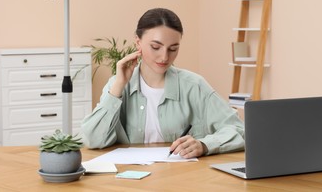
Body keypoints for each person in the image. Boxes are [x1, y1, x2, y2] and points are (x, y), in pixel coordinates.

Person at [81, 8, 244, 158]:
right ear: (138, 42)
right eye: (155, 47)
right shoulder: (117, 85)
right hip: (130, 180)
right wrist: (118, 86)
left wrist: (204, 145)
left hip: (183, 178)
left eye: (173, 49)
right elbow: (92, 140)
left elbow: (239, 130)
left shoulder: (194, 85)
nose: (165, 57)